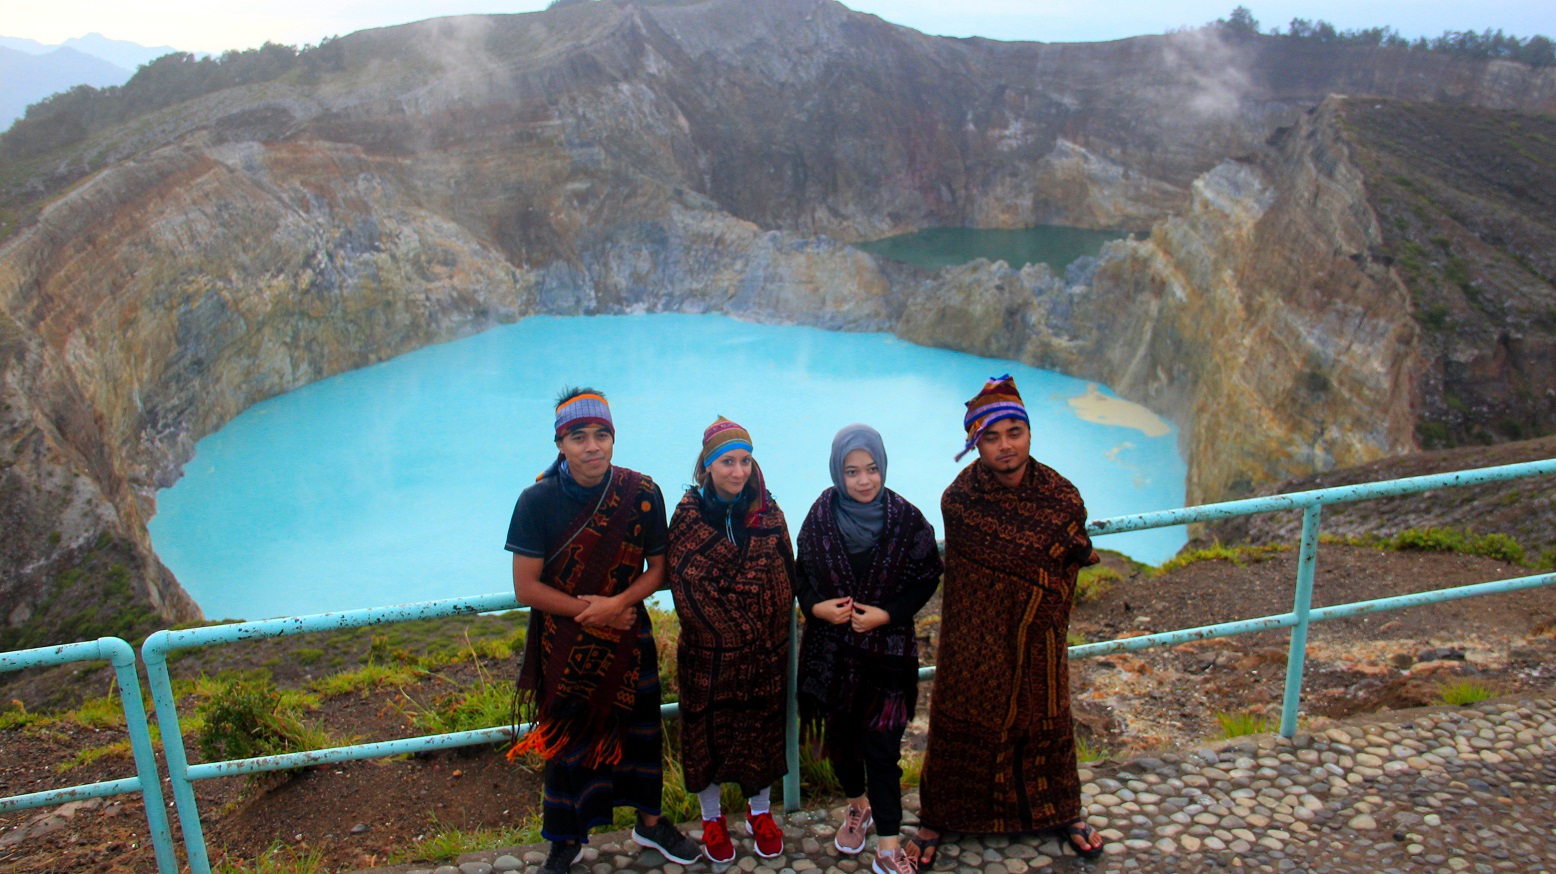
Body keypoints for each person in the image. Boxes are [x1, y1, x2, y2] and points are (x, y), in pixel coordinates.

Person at [905, 375, 1107, 866]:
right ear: (975, 444)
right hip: (973, 643)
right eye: (990, 437)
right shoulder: (960, 502)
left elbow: (1069, 564)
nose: (1004, 446)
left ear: (1029, 433)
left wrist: (1038, 614)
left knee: (1048, 723)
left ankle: (1062, 810)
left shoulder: (1062, 497)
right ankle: (938, 815)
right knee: (958, 727)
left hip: (1040, 639)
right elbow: (973, 581)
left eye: (1014, 432)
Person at [505, 387, 701, 874]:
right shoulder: (536, 502)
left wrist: (617, 604)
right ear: (560, 444)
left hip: (628, 640)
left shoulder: (641, 494)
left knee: (641, 734)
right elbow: (526, 588)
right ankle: (565, 839)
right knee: (570, 744)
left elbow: (660, 569)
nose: (592, 446)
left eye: (601, 435)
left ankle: (650, 824)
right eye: (578, 437)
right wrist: (590, 613)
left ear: (613, 439)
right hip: (566, 648)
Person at [795, 424, 944, 874]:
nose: (864, 480)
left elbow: (926, 578)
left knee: (882, 750)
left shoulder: (906, 519)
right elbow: (801, 576)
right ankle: (857, 804)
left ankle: (887, 846)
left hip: (887, 656)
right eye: (852, 471)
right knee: (843, 746)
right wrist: (818, 609)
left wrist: (887, 614)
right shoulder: (821, 515)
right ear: (838, 474)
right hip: (833, 656)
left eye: (872, 469)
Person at [665, 417, 794, 863]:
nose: (737, 471)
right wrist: (743, 628)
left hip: (763, 656)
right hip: (709, 654)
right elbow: (687, 586)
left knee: (759, 729)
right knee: (708, 734)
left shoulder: (769, 513)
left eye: (744, 460)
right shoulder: (687, 518)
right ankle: (712, 819)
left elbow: (784, 577)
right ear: (707, 466)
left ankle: (761, 814)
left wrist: (755, 628)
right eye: (727, 461)